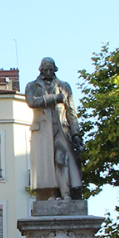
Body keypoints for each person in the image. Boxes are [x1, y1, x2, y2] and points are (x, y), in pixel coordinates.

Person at [24, 57, 82, 200]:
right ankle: (51, 193)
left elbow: (71, 112)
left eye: (51, 69)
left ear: (55, 69)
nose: (48, 72)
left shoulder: (64, 86)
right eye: (45, 69)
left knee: (61, 158)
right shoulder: (32, 86)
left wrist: (76, 134)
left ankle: (65, 193)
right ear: (41, 70)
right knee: (47, 164)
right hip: (42, 130)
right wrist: (55, 98)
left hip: (61, 129)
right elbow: (32, 101)